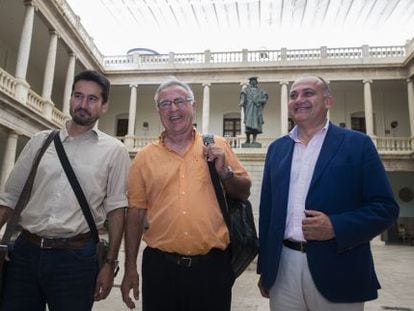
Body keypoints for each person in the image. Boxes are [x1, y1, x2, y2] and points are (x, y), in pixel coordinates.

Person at [257, 75, 399, 310]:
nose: (299, 99)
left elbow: (385, 208)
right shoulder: (277, 149)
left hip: (339, 266)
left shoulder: (358, 144)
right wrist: (266, 269)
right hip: (283, 268)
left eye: (308, 93)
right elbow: (268, 212)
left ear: (328, 101)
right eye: (293, 95)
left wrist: (335, 226)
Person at [0, 70, 130, 310]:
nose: (83, 104)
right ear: (70, 99)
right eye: (78, 96)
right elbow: (9, 198)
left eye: (92, 99)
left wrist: (109, 264)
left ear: (104, 106)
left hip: (76, 259)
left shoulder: (114, 151)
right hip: (25, 252)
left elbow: (116, 211)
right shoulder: (40, 141)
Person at [121, 79, 251, 311]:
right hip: (160, 268)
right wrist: (130, 266)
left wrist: (225, 173)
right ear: (159, 111)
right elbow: (135, 214)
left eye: (180, 101)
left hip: (212, 269)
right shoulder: (144, 158)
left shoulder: (217, 145)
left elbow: (244, 191)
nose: (173, 109)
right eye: (165, 103)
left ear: (194, 105)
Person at [240, 77, 268, 144]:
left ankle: (254, 140)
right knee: (248, 124)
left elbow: (265, 99)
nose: (253, 82)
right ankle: (247, 139)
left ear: (256, 82)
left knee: (256, 125)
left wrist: (259, 101)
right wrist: (242, 102)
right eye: (252, 81)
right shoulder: (246, 90)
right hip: (249, 109)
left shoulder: (260, 91)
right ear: (250, 82)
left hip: (256, 110)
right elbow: (243, 97)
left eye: (254, 81)